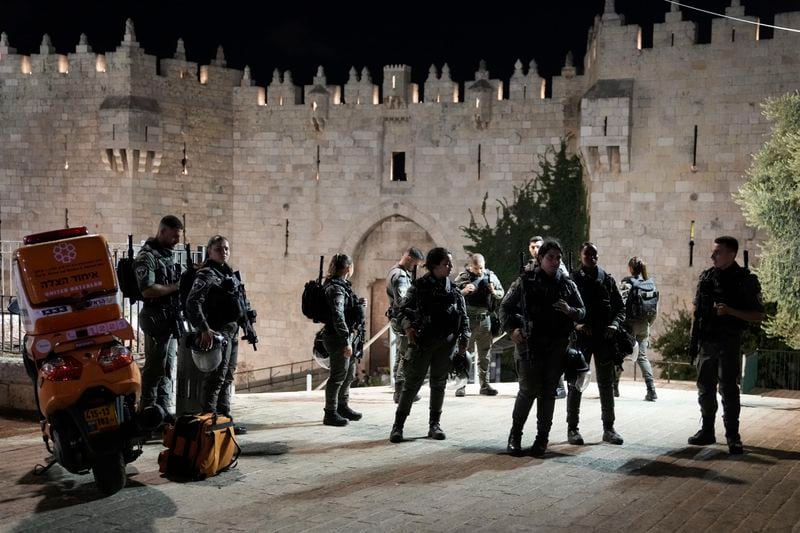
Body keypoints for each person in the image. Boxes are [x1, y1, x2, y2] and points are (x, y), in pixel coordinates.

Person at [500, 239, 585, 457]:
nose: (555, 262)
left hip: (556, 346)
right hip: (530, 344)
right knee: (528, 390)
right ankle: (515, 436)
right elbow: (505, 307)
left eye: (558, 258)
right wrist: (512, 330)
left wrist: (570, 310)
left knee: (548, 394)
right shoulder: (525, 282)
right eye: (550, 257)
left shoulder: (567, 284)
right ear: (540, 259)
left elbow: (582, 311)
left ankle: (542, 440)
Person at [688, 236, 763, 455]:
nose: (712, 256)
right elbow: (696, 309)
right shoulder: (707, 277)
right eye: (713, 252)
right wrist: (694, 338)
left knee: (729, 389)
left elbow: (757, 315)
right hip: (706, 341)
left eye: (718, 252)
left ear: (731, 254)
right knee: (705, 388)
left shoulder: (745, 280)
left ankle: (733, 436)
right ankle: (707, 430)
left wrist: (730, 311)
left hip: (729, 341)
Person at [389, 247, 470, 443]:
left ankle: (435, 424)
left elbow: (463, 316)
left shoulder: (453, 289)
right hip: (423, 342)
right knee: (411, 385)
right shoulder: (419, 287)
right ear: (434, 266)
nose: (450, 267)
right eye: (446, 264)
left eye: (450, 263)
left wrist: (463, 342)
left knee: (439, 384)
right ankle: (398, 427)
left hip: (446, 343)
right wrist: (409, 329)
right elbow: (402, 310)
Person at [185, 235, 247, 433]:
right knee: (216, 377)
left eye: (227, 249)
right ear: (210, 251)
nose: (224, 252)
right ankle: (210, 419)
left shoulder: (227, 273)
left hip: (231, 331)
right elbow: (192, 302)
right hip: (217, 332)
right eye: (219, 249)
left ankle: (224, 420)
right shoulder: (207, 274)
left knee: (227, 376)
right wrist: (203, 328)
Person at [568, 241, 626, 446]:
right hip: (582, 339)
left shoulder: (607, 280)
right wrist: (577, 325)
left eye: (594, 255)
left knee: (606, 384)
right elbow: (564, 309)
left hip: (604, 338)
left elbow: (620, 308)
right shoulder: (572, 280)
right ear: (580, 256)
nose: (591, 258)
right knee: (577, 383)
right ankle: (572, 428)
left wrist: (614, 326)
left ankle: (608, 428)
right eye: (587, 255)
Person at [134, 215, 183, 423]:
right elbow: (147, 290)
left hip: (170, 317)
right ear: (162, 232)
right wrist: (175, 287)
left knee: (168, 366)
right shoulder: (147, 257)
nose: (176, 242)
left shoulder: (167, 255)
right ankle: (148, 412)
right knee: (155, 367)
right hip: (155, 317)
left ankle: (163, 411)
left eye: (178, 237)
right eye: (173, 237)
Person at [320, 253, 367, 426]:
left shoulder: (342, 286)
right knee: (338, 375)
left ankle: (342, 406)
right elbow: (338, 315)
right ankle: (330, 413)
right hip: (338, 337)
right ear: (348, 268)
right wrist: (345, 341)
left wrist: (359, 305)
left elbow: (345, 310)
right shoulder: (336, 288)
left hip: (345, 336)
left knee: (348, 373)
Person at [454, 253, 504, 396]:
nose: (479, 271)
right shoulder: (463, 277)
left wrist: (494, 291)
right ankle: (462, 385)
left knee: (485, 354)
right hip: (467, 320)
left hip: (485, 320)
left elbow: (501, 293)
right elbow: (452, 294)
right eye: (476, 269)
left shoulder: (490, 276)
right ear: (470, 266)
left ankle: (485, 384)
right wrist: (464, 291)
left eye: (481, 268)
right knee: (464, 353)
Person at [527, 235, 569, 399]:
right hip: (537, 321)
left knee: (555, 357)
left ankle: (558, 387)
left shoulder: (558, 267)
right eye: (532, 247)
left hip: (555, 318)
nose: (535, 249)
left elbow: (565, 285)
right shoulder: (530, 267)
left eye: (538, 246)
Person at [386, 247, 425, 403]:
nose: (415, 267)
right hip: (403, 320)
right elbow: (403, 303)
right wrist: (409, 325)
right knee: (406, 356)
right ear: (408, 258)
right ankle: (401, 393)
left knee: (401, 355)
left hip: (399, 319)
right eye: (414, 263)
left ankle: (399, 391)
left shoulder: (396, 271)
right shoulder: (400, 276)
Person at [616, 256, 658, 401]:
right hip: (644, 325)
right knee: (642, 357)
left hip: (629, 325)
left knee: (619, 355)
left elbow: (620, 303)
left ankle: (614, 387)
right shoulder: (650, 284)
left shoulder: (626, 282)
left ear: (631, 268)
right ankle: (651, 390)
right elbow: (654, 309)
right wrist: (648, 324)